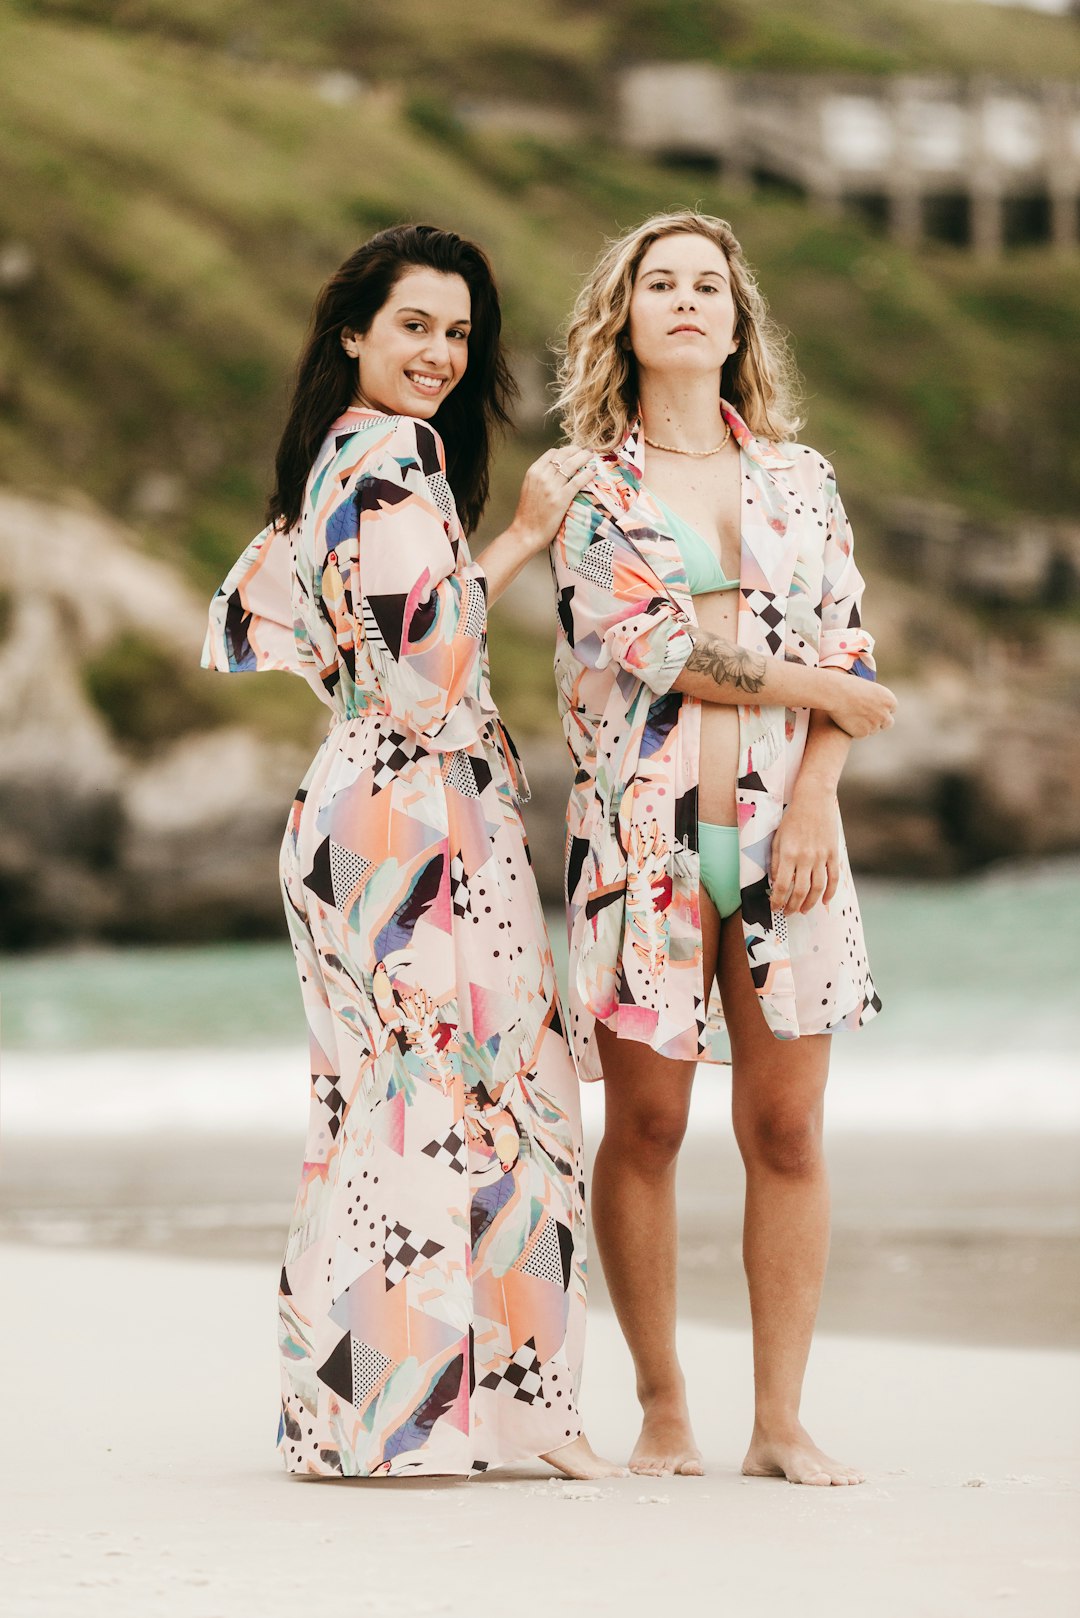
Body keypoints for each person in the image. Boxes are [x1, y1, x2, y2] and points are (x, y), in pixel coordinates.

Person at [202, 223, 621, 1480]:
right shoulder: (391, 461)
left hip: (354, 802)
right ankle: (501, 1418)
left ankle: (366, 1416)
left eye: (459, 332)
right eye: (413, 327)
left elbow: (261, 617)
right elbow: (432, 671)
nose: (440, 353)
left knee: (383, 1106)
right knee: (491, 1102)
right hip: (417, 808)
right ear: (354, 333)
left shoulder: (332, 460)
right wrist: (523, 539)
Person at [549, 210, 897, 1485]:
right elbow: (648, 651)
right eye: (661, 283)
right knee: (644, 1129)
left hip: (790, 842)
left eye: (710, 285)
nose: (688, 300)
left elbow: (853, 654)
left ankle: (781, 1422)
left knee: (790, 1132)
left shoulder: (803, 480)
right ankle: (662, 1408)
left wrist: (819, 789)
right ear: (626, 316)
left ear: (738, 321)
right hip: (640, 848)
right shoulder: (587, 487)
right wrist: (828, 690)